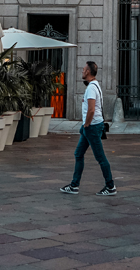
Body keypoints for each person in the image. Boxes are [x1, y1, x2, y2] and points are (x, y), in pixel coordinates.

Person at [59, 61, 115, 196]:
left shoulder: (91, 88)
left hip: (92, 126)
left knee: (100, 157)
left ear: (88, 72)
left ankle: (110, 186)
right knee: (78, 154)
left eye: (84, 69)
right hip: (90, 127)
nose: (82, 71)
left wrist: (86, 125)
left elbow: (91, 110)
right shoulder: (94, 85)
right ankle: (74, 185)